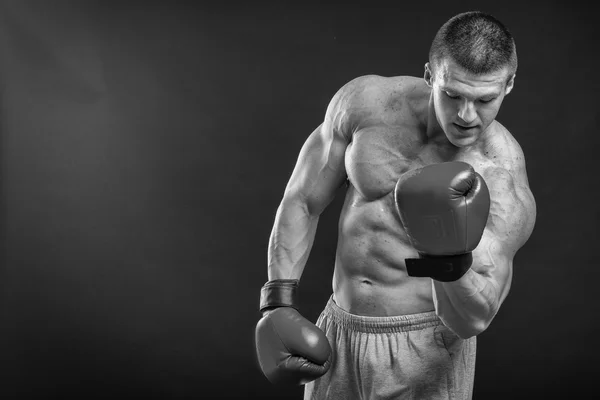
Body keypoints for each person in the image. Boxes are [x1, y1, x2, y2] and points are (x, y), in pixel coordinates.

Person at [255, 10, 537, 400]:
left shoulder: (499, 174)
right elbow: (302, 200)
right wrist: (277, 302)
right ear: (429, 75)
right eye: (452, 94)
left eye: (484, 99)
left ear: (508, 86)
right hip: (338, 332)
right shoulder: (366, 104)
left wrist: (448, 260)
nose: (466, 115)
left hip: (426, 348)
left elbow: (476, 316)